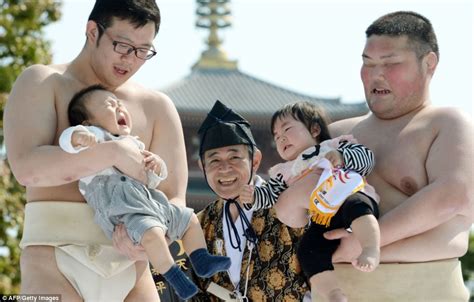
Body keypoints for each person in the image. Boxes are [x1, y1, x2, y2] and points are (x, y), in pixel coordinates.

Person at [3, 1, 187, 301]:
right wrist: (112, 153)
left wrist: (154, 238)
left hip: (132, 267)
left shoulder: (156, 107)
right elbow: (27, 168)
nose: (131, 59)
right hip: (51, 261)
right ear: (92, 31)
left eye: (144, 50)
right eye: (124, 46)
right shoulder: (43, 82)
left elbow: (174, 196)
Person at [325, 11, 473, 301]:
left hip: (423, 289)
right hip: (332, 289)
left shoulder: (448, 124)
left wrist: (361, 244)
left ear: (428, 63)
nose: (375, 74)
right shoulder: (335, 134)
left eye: (390, 63)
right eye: (368, 63)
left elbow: (453, 196)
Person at [59, 84, 231, 300]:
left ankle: (201, 258)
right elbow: (66, 141)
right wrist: (78, 137)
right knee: (152, 233)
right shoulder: (94, 135)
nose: (119, 108)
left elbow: (153, 179)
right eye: (110, 105)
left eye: (120, 104)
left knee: (188, 218)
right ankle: (174, 276)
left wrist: (157, 165)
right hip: (121, 206)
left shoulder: (133, 143)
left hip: (150, 201)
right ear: (88, 121)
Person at [240, 102, 380, 302]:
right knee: (307, 250)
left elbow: (367, 159)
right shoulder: (286, 171)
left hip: (349, 195)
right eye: (277, 136)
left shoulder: (335, 145)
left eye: (287, 129)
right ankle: (332, 292)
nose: (281, 138)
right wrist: (254, 197)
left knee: (358, 207)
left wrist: (342, 157)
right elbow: (270, 195)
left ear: (314, 129)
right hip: (322, 219)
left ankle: (370, 249)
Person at [188, 100, 310, 301]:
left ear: (255, 160)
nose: (224, 168)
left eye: (234, 158)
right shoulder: (200, 223)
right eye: (214, 160)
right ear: (203, 166)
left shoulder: (287, 201)